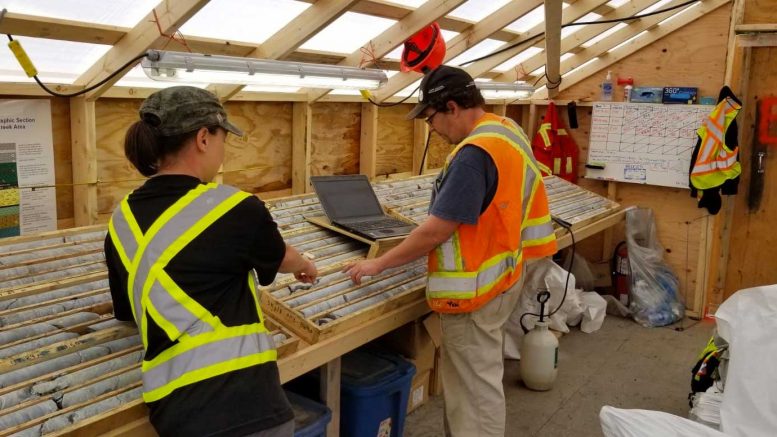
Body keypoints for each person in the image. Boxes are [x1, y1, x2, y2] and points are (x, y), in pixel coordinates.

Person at [344, 65, 557, 436]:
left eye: (431, 118)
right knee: (477, 385)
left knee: (473, 395)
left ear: (453, 107)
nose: (432, 129)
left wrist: (378, 264)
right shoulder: (506, 131)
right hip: (504, 276)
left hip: (473, 295)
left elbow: (436, 232)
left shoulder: (474, 154)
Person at [104, 86, 317, 437]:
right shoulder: (235, 208)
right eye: (222, 139)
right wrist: (306, 264)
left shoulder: (120, 223)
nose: (222, 150)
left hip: (174, 415)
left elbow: (128, 315)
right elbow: (282, 257)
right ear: (203, 138)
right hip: (248, 408)